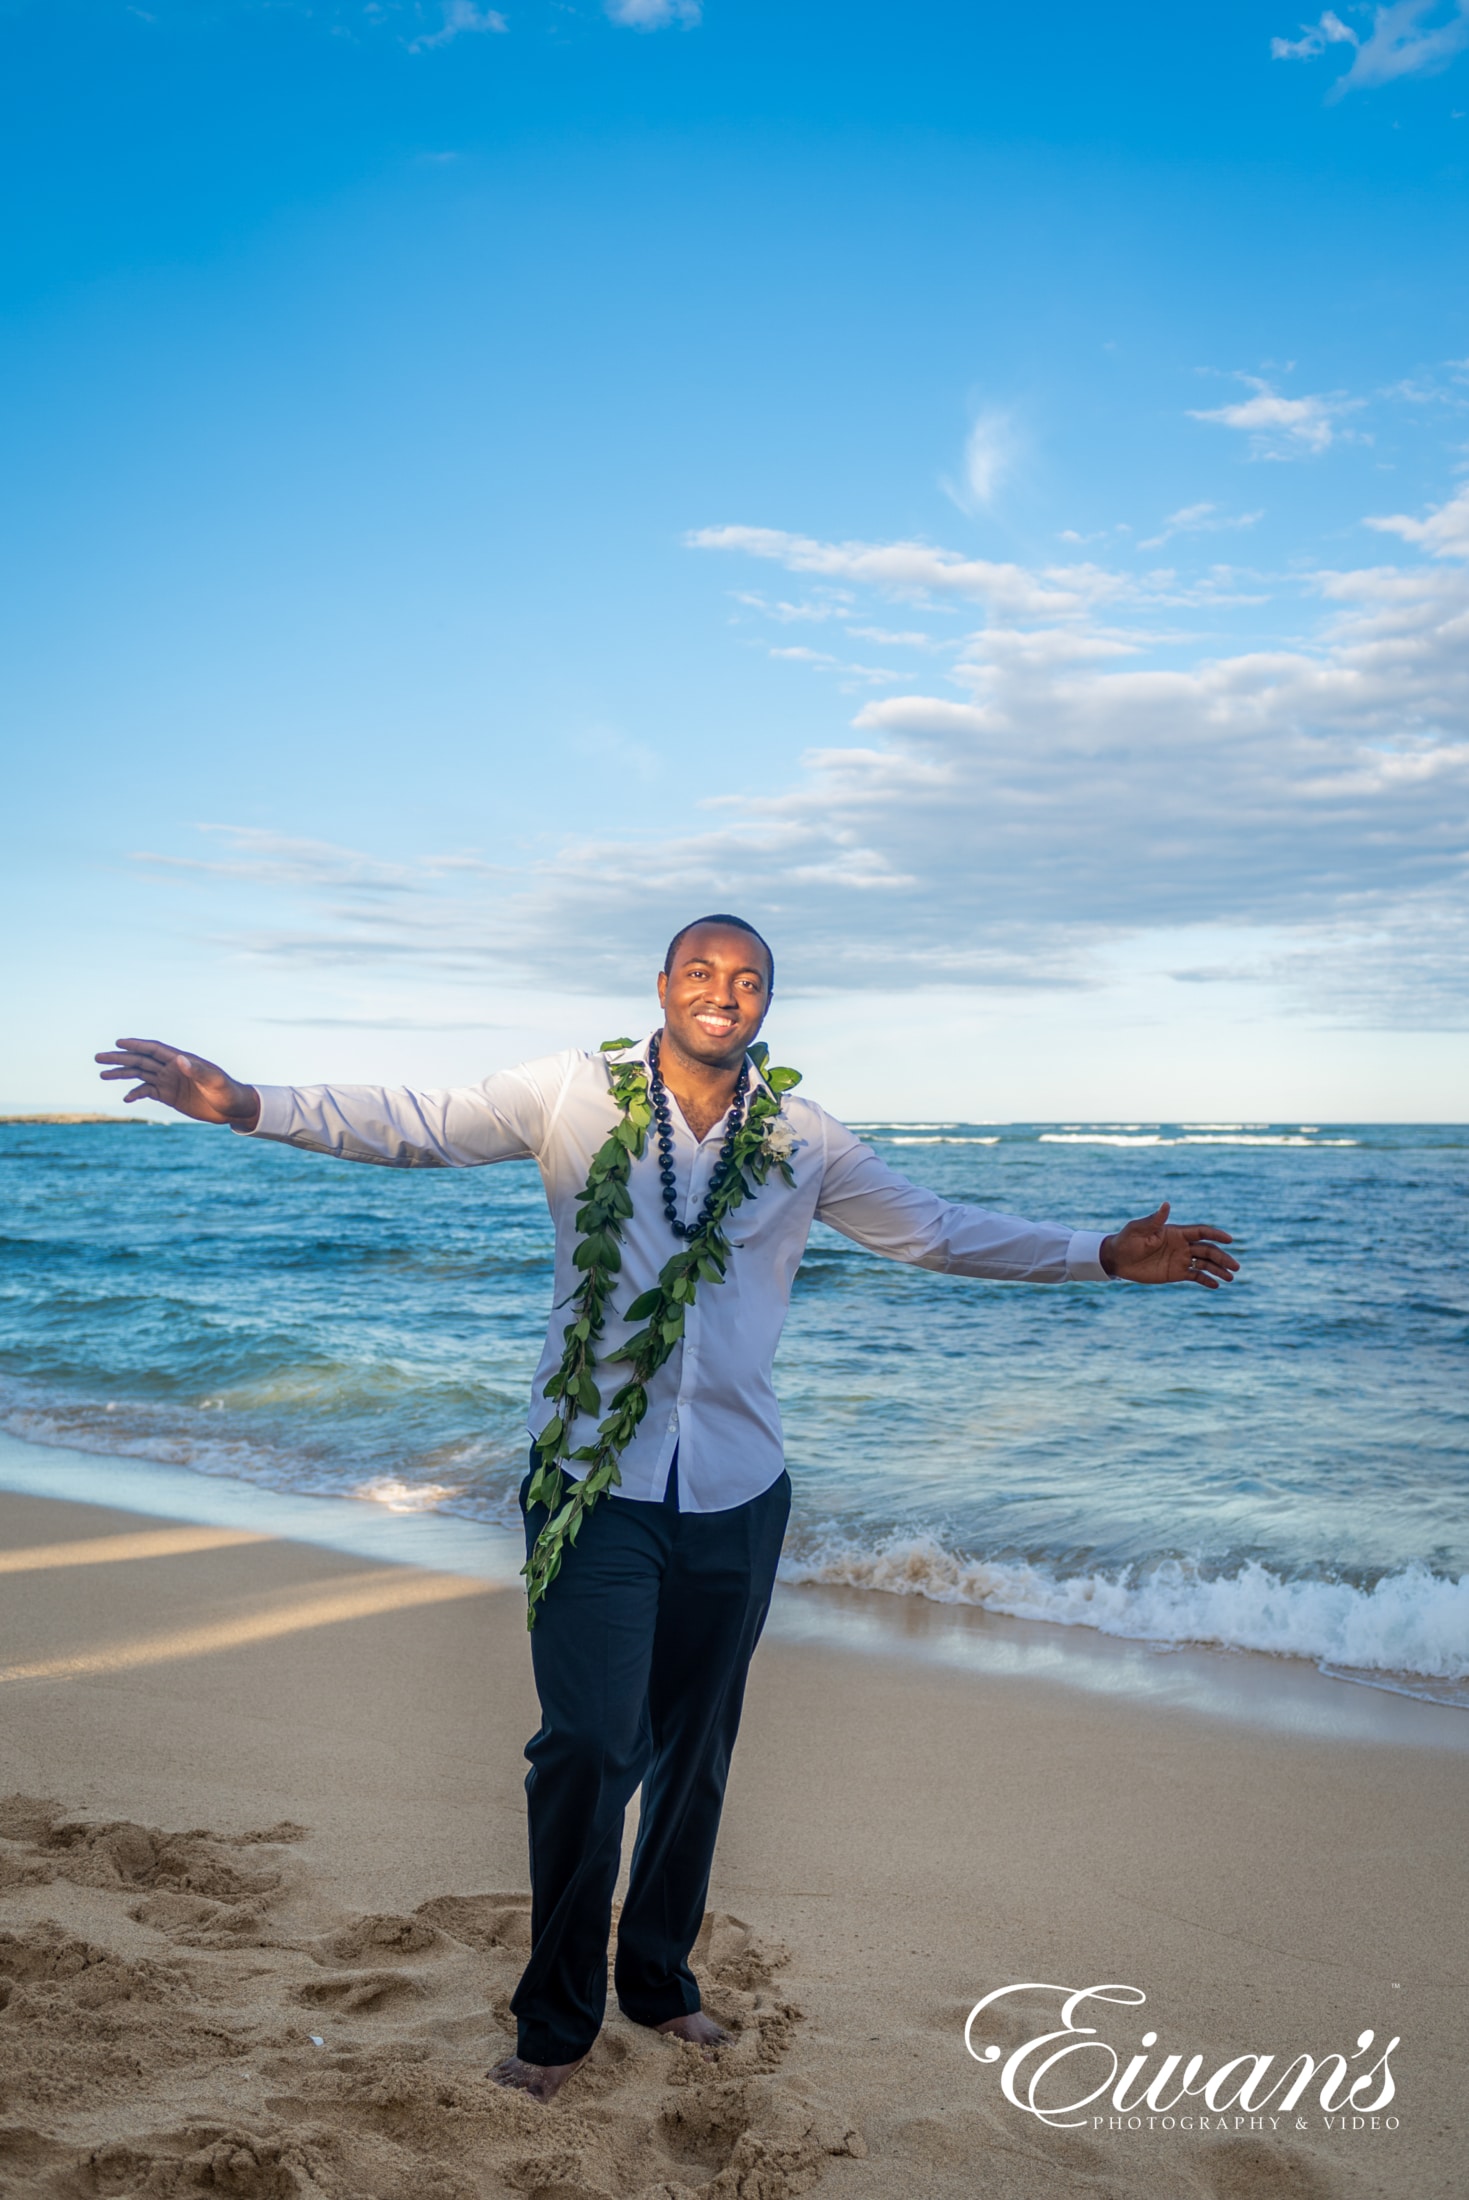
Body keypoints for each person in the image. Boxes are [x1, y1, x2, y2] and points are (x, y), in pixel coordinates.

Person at [97, 913, 1238, 2102]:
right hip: (591, 1480)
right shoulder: (570, 1094)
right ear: (660, 986)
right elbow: (417, 1124)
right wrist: (241, 1103)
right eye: (701, 973)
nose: (722, 994)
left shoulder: (803, 1137)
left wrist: (1097, 1253)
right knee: (587, 1743)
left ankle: (657, 1978)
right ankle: (553, 2024)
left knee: (695, 1747)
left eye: (746, 981)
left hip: (737, 1485)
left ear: (764, 1007)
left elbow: (938, 1231)